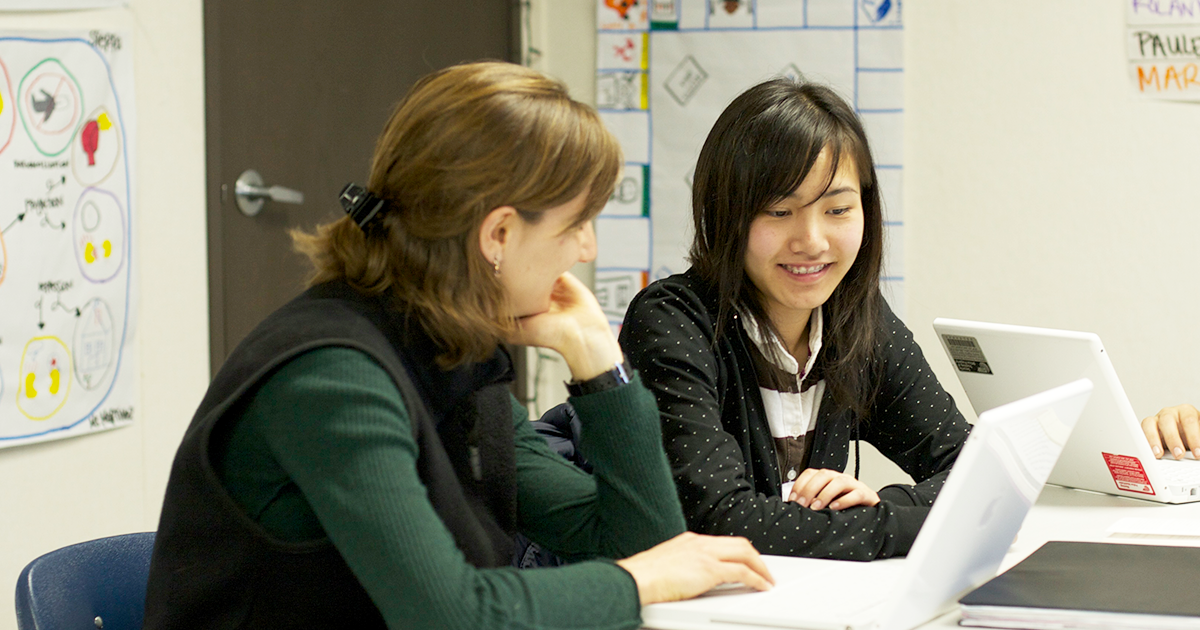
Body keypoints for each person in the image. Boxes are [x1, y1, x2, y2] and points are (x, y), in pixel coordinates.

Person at [143, 62, 772, 630]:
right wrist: (639, 581)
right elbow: (449, 615)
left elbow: (645, 544)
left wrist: (598, 364)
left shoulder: (451, 354)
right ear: (498, 233)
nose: (587, 250)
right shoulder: (333, 377)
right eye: (577, 223)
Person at [619, 78, 973, 561]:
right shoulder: (673, 322)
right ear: (727, 214)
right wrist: (883, 527)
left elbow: (976, 470)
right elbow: (720, 521)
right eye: (780, 210)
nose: (812, 240)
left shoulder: (859, 321)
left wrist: (886, 505)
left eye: (838, 209)